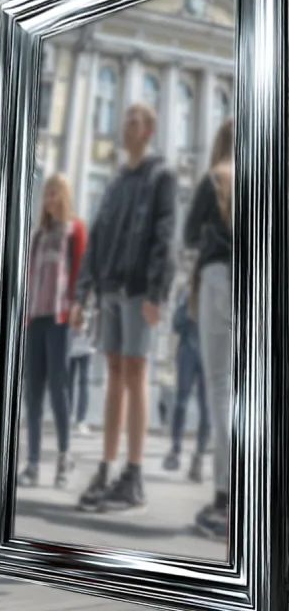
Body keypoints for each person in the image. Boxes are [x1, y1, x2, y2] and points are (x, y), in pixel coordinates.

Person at [71, 104, 178, 512]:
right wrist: (82, 295)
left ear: (149, 129)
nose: (125, 125)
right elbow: (96, 239)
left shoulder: (160, 176)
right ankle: (107, 466)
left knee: (136, 372)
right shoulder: (116, 181)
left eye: (133, 119)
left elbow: (165, 235)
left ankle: (133, 476)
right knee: (115, 374)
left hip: (138, 292)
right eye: (125, 118)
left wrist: (156, 292)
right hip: (110, 290)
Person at [19, 174, 87, 490]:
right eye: (47, 194)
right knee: (33, 395)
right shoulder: (37, 236)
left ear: (65, 196)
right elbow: (29, 278)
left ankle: (64, 456)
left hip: (60, 320)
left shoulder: (74, 230)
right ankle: (32, 463)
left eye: (56, 193)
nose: (50, 199)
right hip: (36, 320)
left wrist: (78, 305)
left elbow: (81, 273)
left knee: (59, 391)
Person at [184, 119, 233, 538]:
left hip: (220, 279)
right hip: (263, 285)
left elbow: (187, 235)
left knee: (221, 389)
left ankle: (226, 499)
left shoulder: (217, 178)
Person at [165, 292, 208, 483]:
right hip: (188, 351)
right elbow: (176, 323)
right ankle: (175, 450)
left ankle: (198, 457)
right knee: (181, 403)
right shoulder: (189, 292)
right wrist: (188, 313)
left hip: (211, 354)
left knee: (207, 409)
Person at [67, 321, 94, 437]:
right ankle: (67, 417)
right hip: (69, 342)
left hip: (87, 343)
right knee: (68, 382)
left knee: (84, 381)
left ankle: (81, 420)